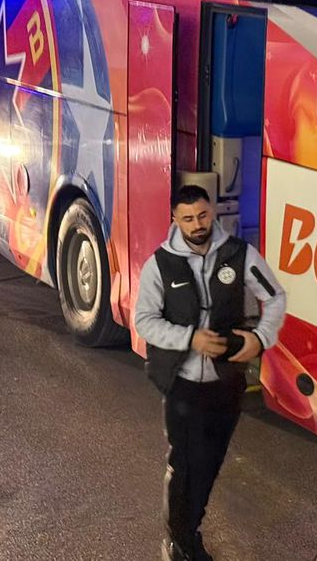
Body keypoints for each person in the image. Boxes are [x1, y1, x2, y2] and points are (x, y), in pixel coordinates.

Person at [134, 185, 286, 561]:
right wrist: (190, 338)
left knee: (210, 463)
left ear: (212, 212)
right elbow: (145, 321)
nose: (197, 224)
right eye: (187, 218)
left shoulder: (239, 254)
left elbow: (275, 296)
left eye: (202, 215)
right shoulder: (160, 264)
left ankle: (190, 528)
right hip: (181, 383)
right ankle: (179, 541)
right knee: (184, 464)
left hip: (226, 382)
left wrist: (260, 338)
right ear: (175, 219)